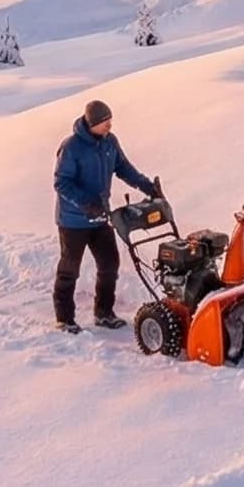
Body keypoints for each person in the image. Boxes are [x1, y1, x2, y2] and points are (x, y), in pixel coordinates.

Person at [52, 100, 159, 333]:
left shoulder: (110, 142)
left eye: (110, 121)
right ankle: (64, 319)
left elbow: (124, 168)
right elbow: (61, 182)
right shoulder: (71, 147)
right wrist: (85, 203)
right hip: (73, 220)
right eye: (104, 122)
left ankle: (103, 313)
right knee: (70, 269)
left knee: (110, 263)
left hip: (100, 216)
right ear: (91, 124)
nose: (109, 126)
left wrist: (148, 187)